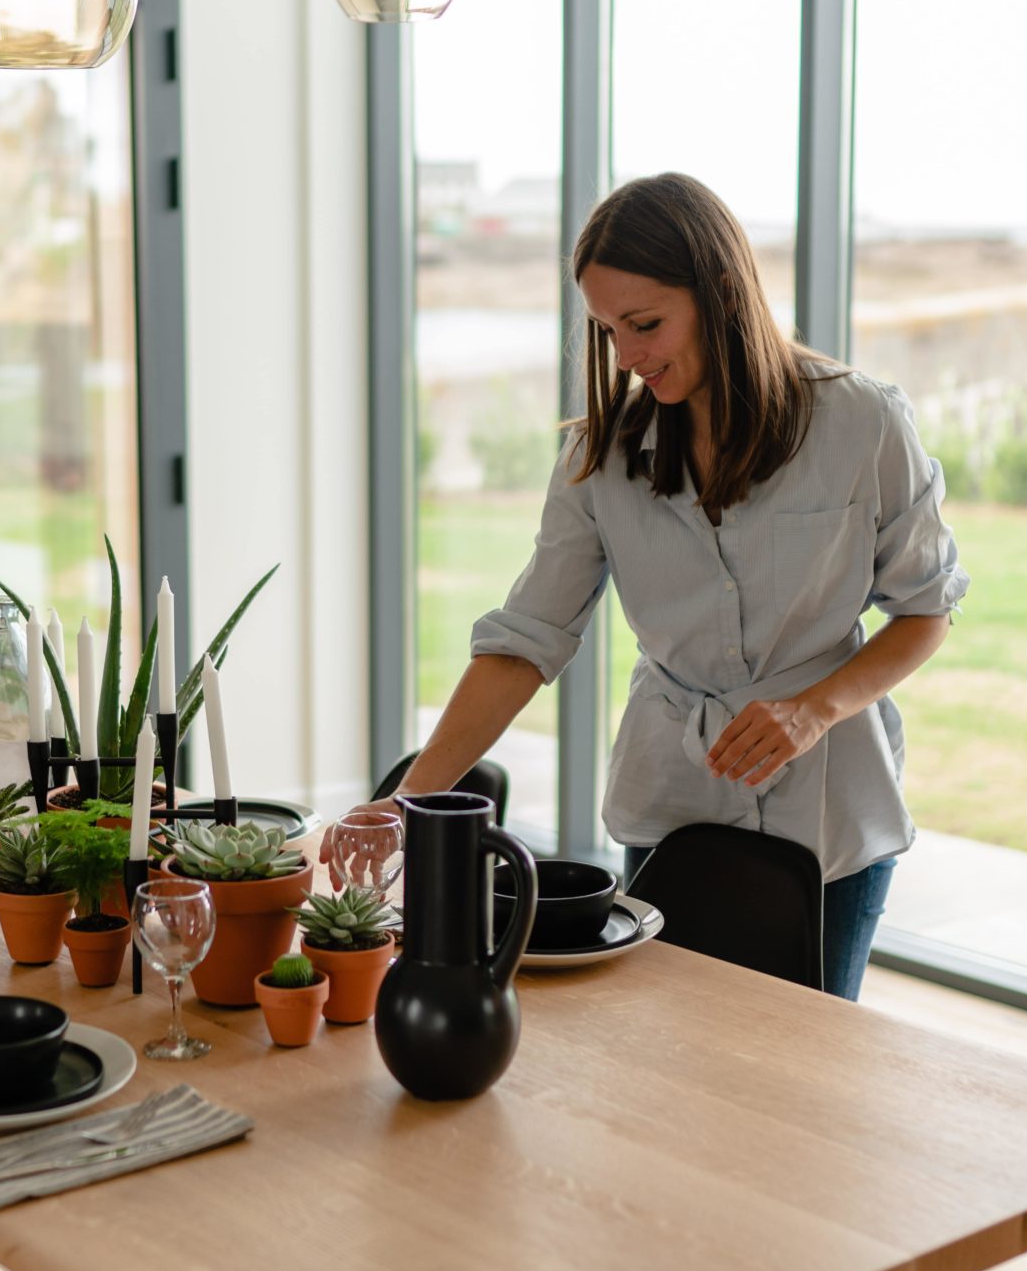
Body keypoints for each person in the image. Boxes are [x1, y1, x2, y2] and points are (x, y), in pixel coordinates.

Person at [388, 173, 967, 1000]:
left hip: (834, 819)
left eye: (646, 324)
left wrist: (814, 708)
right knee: (672, 1064)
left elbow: (926, 610)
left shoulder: (863, 424)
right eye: (607, 329)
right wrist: (408, 801)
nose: (625, 356)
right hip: (674, 805)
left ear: (722, 293)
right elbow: (526, 640)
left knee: (811, 1082)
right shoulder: (601, 460)